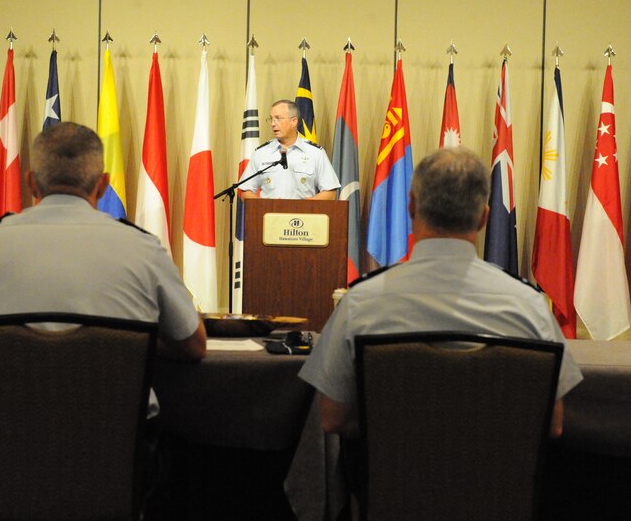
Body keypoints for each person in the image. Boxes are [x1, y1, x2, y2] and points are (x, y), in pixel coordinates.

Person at [299, 146, 582, 439]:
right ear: (484, 218)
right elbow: (553, 424)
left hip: (393, 481)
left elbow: (332, 418)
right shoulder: (529, 306)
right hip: (495, 482)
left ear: (411, 206)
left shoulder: (361, 302)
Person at [0, 122, 206, 365]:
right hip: (115, 405)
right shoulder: (143, 249)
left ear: (31, 183)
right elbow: (193, 345)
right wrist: (138, 342)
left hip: (6, 405)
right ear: (102, 186)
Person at [238, 99, 340, 200]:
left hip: (303, 215)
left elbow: (330, 192)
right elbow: (246, 190)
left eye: (278, 118)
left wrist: (304, 206)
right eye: (271, 119)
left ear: (294, 121)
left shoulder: (315, 153)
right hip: (268, 215)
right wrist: (264, 205)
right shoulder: (261, 153)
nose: (273, 124)